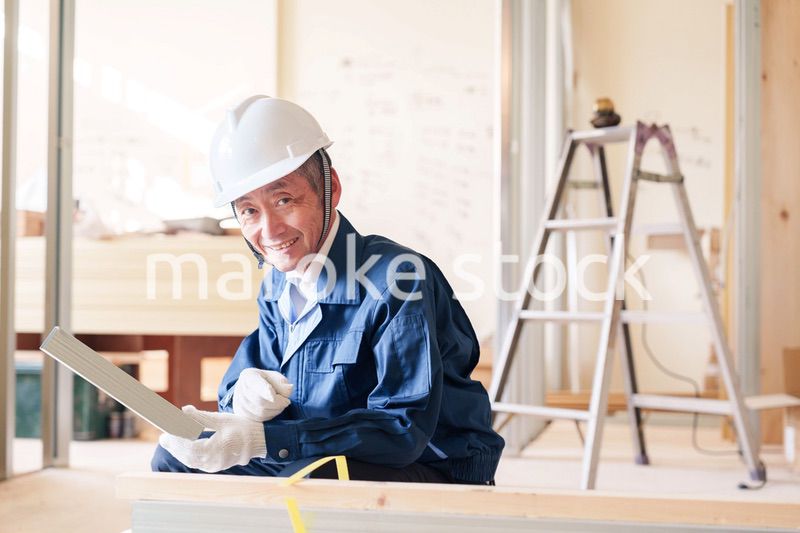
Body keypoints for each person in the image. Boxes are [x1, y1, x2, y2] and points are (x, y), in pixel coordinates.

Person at [152, 96, 504, 484]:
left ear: (330, 189)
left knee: (308, 479)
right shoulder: (278, 284)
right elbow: (245, 379)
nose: (269, 232)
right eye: (249, 210)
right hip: (323, 451)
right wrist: (243, 397)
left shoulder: (399, 281)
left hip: (428, 464)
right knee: (176, 457)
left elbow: (402, 431)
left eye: (284, 200)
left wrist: (264, 441)